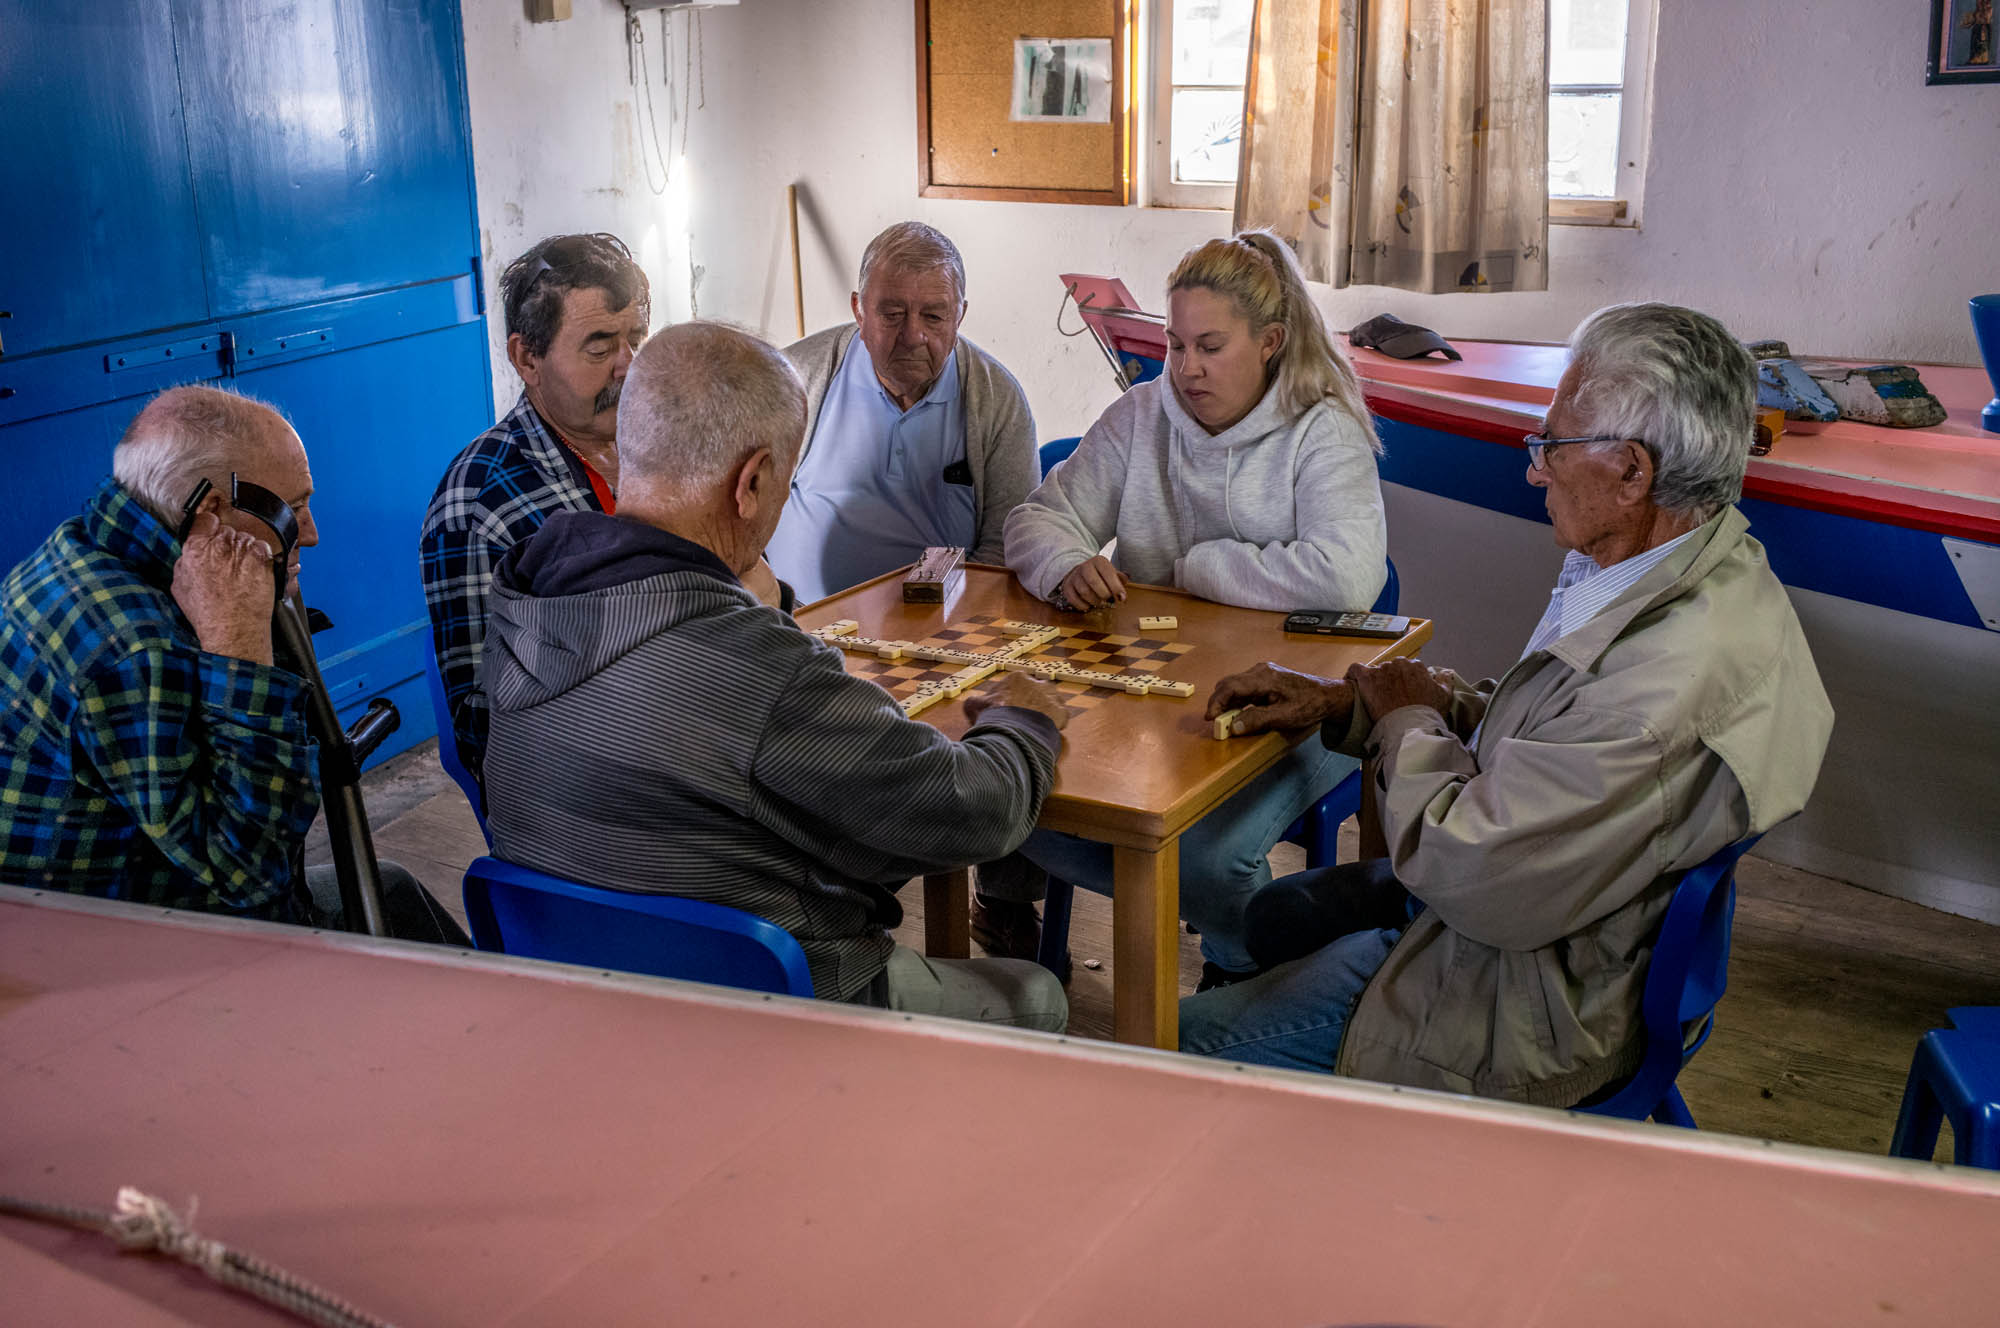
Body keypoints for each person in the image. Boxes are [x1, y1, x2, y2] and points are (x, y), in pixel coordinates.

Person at [1179, 302, 1835, 1106]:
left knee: (1160, 1051)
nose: (1534, 471)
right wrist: (1348, 703)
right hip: (1559, 927)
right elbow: (1547, 738)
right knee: (1273, 916)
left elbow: (1469, 867)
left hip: (1517, 1005)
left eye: (1552, 446)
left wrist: (1405, 719)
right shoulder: (1693, 567)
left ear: (1632, 472)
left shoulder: (1660, 686)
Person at [481, 321, 1070, 1030]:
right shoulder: (756, 668)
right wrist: (1024, 718)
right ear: (752, 481)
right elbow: (973, 811)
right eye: (786, 483)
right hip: (762, 1014)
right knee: (1037, 996)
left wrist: (750, 609)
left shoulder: (526, 600)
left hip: (575, 991)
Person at [990, 229, 1388, 985]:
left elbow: (1348, 578)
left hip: (1299, 700)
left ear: (1270, 342)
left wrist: (1201, 567)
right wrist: (1067, 563)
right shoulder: (1140, 415)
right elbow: (1036, 520)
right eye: (1175, 345)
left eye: (1210, 346)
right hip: (1156, 689)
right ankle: (1237, 938)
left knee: (1209, 855)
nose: (1186, 367)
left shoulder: (1322, 428)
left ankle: (1243, 976)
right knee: (1020, 801)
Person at [0, 385, 465, 942]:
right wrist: (241, 647)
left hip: (151, 896)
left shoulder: (95, 543)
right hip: (122, 945)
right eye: (293, 508)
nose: (311, 533)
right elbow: (252, 873)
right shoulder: (134, 650)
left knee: (395, 894)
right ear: (212, 513)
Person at [420, 232, 654, 787]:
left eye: (636, 340)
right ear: (527, 358)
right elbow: (486, 728)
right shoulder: (482, 505)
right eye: (599, 348)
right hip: (594, 784)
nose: (628, 367)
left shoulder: (658, 445)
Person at [764, 221, 1038, 603]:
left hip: (940, 625)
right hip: (794, 620)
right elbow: (739, 519)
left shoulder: (997, 399)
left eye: (934, 317)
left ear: (959, 317)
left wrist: (932, 623)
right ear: (859, 311)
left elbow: (1009, 542)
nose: (913, 336)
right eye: (892, 314)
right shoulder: (792, 378)